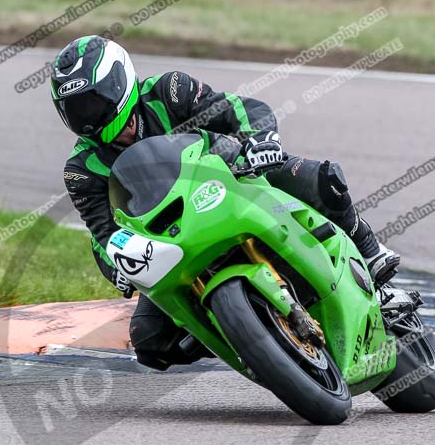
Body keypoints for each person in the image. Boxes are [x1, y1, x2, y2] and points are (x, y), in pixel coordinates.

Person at [51, 35, 400, 371]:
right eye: (75, 110)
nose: (87, 117)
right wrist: (119, 269)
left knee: (321, 179)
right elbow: (103, 233)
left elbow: (240, 110)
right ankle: (247, 336)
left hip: (234, 177)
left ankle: (370, 252)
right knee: (151, 341)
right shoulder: (81, 169)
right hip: (173, 237)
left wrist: (261, 140)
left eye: (92, 102)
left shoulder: (169, 91)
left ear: (118, 84)